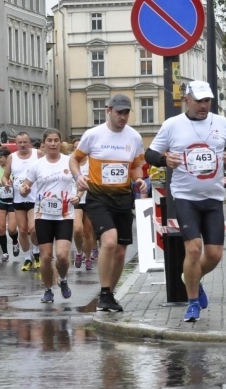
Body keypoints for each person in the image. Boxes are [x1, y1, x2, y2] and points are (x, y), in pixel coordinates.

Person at [146, 80, 226, 322]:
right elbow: (150, 154)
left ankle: (191, 276)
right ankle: (192, 303)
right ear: (186, 100)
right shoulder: (173, 125)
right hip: (185, 197)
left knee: (214, 255)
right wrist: (164, 160)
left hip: (213, 197)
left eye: (207, 100)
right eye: (199, 100)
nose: (203, 105)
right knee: (193, 249)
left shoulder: (220, 123)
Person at [71, 94, 146, 312]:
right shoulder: (93, 135)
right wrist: (78, 177)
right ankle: (104, 292)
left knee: (121, 251)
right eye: (119, 112)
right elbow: (74, 159)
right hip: (98, 197)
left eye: (126, 113)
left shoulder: (134, 137)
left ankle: (109, 296)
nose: (123, 117)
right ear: (108, 110)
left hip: (123, 198)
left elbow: (136, 165)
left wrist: (139, 179)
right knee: (110, 242)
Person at [20, 128, 79, 303]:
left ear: (60, 142)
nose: (53, 144)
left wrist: (78, 196)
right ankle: (47, 290)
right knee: (46, 257)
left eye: (56, 140)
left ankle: (62, 279)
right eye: (49, 141)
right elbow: (25, 187)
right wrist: (24, 190)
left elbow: (80, 183)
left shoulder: (70, 162)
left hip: (65, 214)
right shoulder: (37, 165)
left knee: (61, 256)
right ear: (44, 144)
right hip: (43, 215)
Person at [4, 132, 43, 271]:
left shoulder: (38, 154)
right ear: (16, 144)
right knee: (22, 230)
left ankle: (37, 252)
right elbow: (5, 176)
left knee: (33, 229)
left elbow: (47, 168)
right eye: (19, 142)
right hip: (18, 199)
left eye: (24, 142)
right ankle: (27, 258)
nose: (22, 145)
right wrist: (7, 182)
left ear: (29, 142)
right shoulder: (12, 157)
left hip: (35, 198)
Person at [70, 137, 95, 271]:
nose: (79, 150)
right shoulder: (70, 162)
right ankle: (79, 252)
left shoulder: (91, 162)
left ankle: (88, 257)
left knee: (87, 231)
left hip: (90, 199)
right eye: (76, 148)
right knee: (78, 229)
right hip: (75, 200)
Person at [0, 149, 18, 262]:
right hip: (0, 200)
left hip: (13, 201)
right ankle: (5, 253)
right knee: (1, 228)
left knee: (12, 229)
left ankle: (15, 242)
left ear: (7, 157)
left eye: (1, 157)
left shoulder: (15, 170)